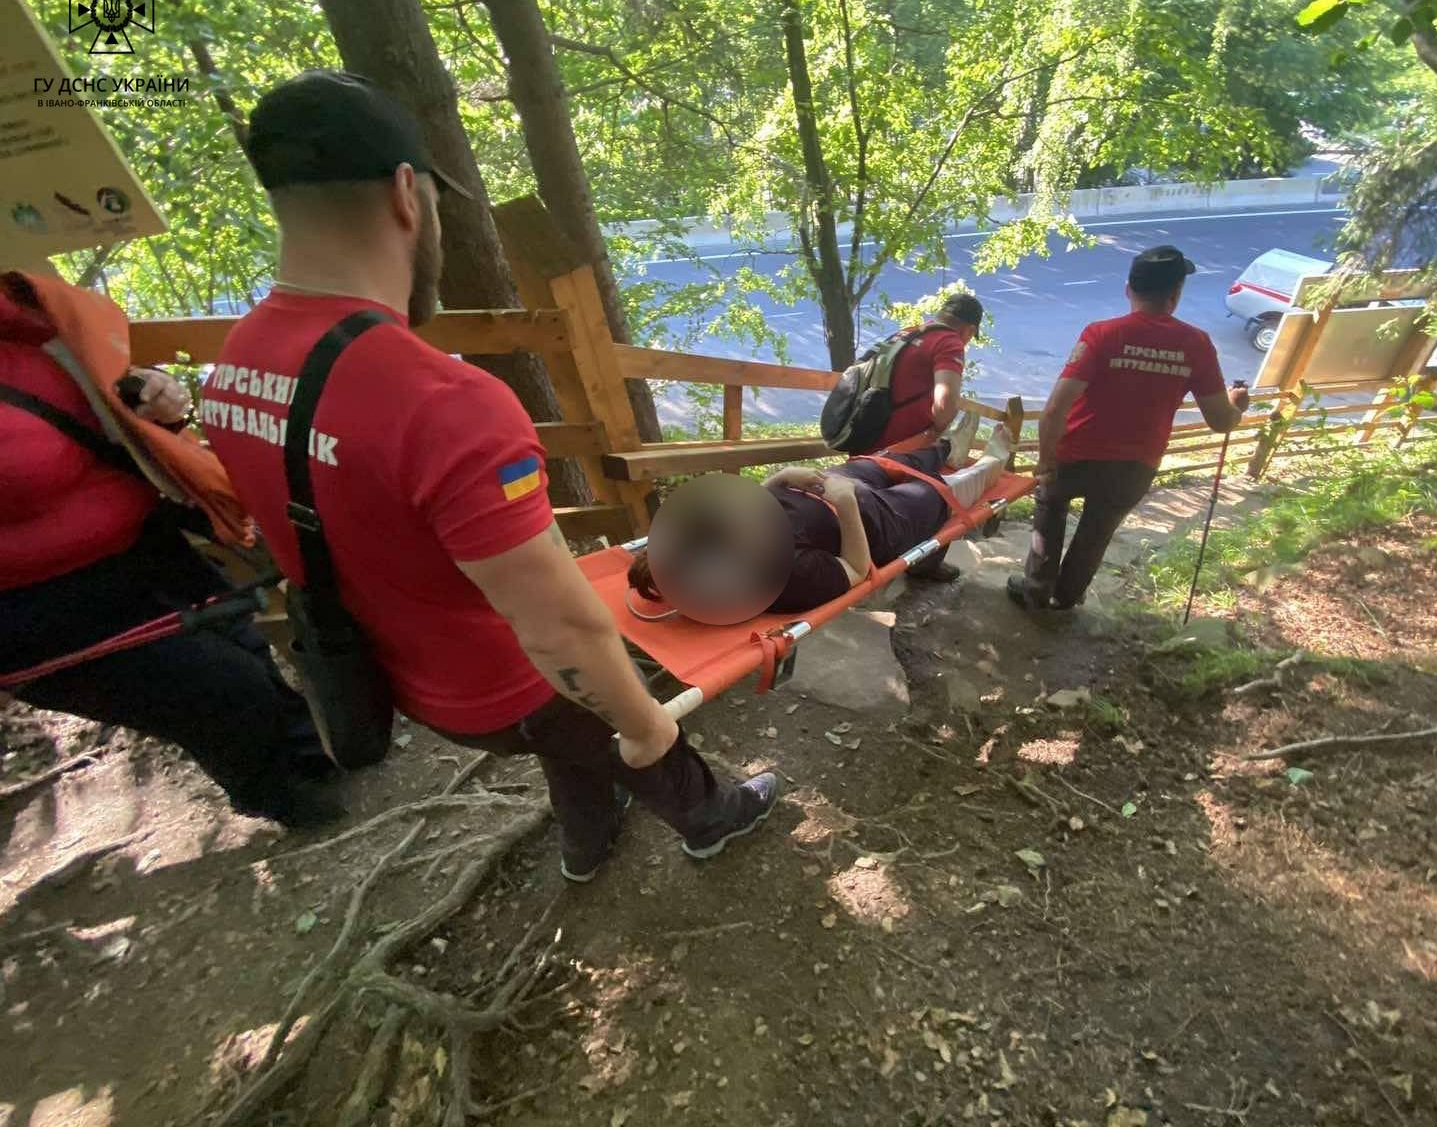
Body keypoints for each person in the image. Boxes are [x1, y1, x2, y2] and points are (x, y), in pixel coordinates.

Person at [201, 69, 779, 883]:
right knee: (617, 727)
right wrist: (648, 727)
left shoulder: (233, 366)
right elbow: (560, 634)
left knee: (568, 738)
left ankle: (586, 844)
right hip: (504, 679)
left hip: (401, 679)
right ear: (409, 194)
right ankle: (711, 816)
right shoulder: (444, 399)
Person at [0, 285, 339, 827]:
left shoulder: (35, 323)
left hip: (145, 541)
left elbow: (109, 422)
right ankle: (272, 791)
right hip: (39, 608)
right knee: (217, 686)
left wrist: (156, 408)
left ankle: (305, 752)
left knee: (244, 643)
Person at [1008, 245, 1250, 614]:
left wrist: (1045, 460)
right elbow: (1221, 421)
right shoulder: (1196, 344)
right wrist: (1238, 405)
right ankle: (1067, 597)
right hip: (1134, 466)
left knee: (1050, 509)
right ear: (1176, 295)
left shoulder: (1102, 334)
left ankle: (1037, 589)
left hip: (1075, 453)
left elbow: (1057, 406)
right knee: (1097, 530)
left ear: (1128, 289)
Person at [629, 422, 1015, 617]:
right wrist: (846, 506)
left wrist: (777, 481)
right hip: (872, 527)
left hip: (823, 492)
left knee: (885, 464)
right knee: (936, 494)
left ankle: (947, 447)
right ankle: (991, 465)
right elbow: (855, 569)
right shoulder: (778, 581)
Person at [857, 293, 983, 455]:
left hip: (863, 435)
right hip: (896, 450)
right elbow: (945, 403)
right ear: (970, 330)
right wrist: (934, 434)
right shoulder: (949, 342)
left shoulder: (906, 333)